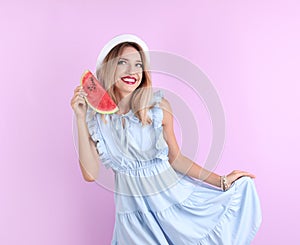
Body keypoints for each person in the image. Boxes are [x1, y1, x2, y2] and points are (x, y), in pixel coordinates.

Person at [70, 34, 262, 245]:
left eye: (138, 64)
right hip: (133, 219)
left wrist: (222, 180)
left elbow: (176, 158)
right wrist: (80, 118)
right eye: (123, 62)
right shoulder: (96, 119)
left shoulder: (158, 108)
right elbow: (90, 174)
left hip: (175, 207)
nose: (132, 71)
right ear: (108, 68)